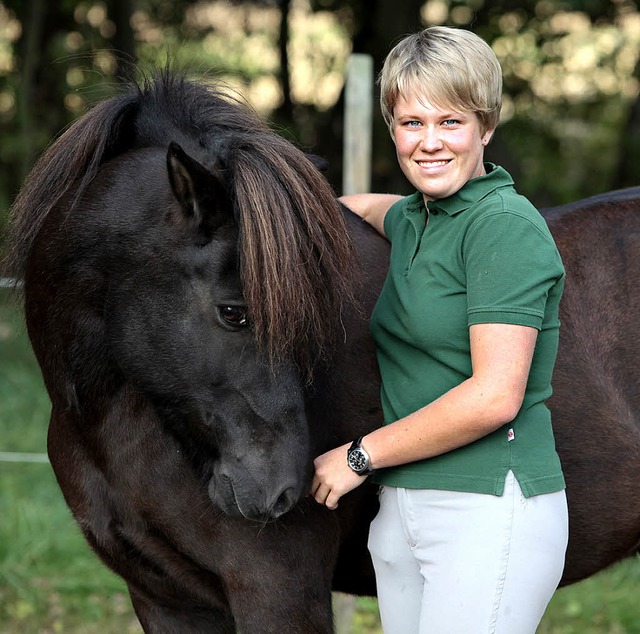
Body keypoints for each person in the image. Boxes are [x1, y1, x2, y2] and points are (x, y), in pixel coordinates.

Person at [310, 26, 568, 633]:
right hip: (403, 510)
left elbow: (494, 396)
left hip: (486, 509)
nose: (428, 143)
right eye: (410, 123)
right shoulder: (415, 218)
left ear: (486, 127)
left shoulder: (503, 226)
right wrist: (284, 205)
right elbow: (368, 207)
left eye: (450, 123)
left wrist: (358, 456)